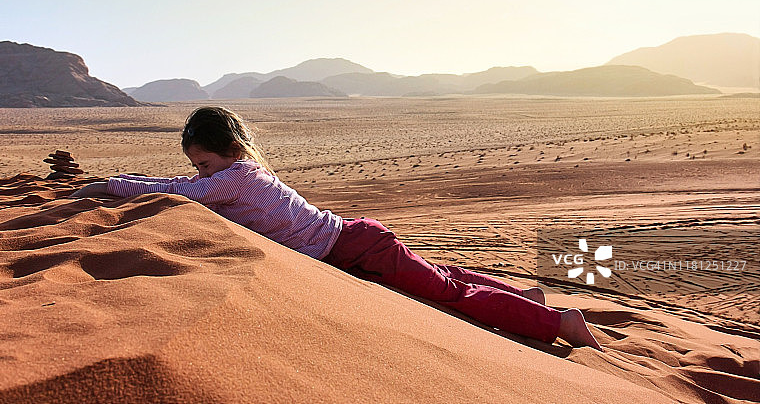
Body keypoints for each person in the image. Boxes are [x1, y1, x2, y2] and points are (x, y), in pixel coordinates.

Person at [73, 106, 602, 351]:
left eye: (204, 163)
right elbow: (182, 185)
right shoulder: (238, 172)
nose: (199, 175)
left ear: (231, 153)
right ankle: (527, 297)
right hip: (352, 243)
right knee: (444, 280)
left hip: (355, 247)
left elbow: (176, 192)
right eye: (196, 166)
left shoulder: (230, 179)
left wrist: (109, 185)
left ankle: (560, 324)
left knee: (447, 294)